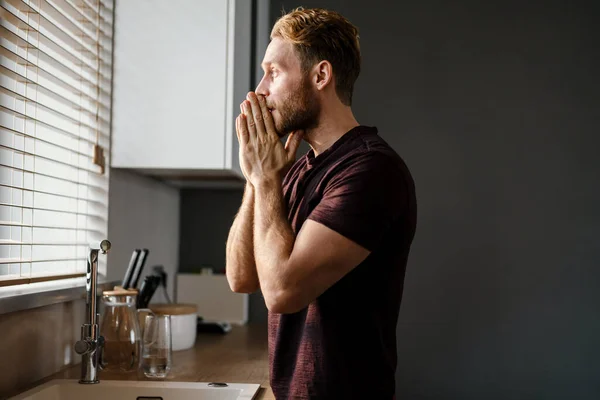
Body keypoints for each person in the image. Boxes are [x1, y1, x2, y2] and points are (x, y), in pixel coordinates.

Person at [225, 7, 417, 399]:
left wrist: (264, 179)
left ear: (320, 76)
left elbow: (282, 292)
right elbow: (241, 278)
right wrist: (256, 178)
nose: (260, 89)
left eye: (273, 72)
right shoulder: (292, 173)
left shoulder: (371, 170)